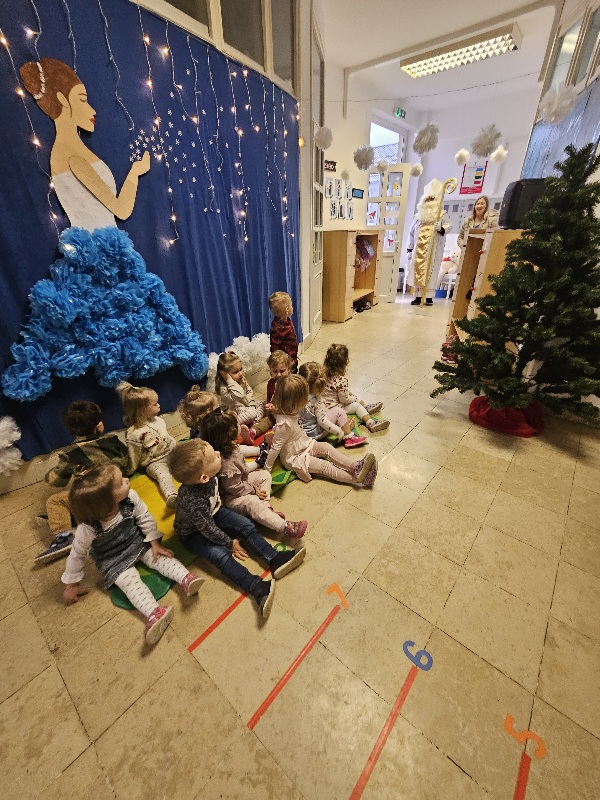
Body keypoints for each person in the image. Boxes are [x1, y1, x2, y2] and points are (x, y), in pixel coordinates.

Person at [3, 58, 207, 402]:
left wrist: (134, 173)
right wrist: (134, 174)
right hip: (100, 250)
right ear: (63, 101)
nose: (92, 109)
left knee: (124, 314)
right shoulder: (71, 154)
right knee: (117, 314)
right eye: (82, 100)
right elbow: (120, 209)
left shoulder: (69, 151)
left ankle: (135, 377)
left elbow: (116, 208)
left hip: (103, 247)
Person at [61, 464, 204, 646]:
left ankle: (186, 578)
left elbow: (144, 517)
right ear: (108, 501)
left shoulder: (129, 499)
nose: (127, 480)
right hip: (112, 559)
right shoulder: (87, 529)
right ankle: (154, 612)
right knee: (129, 582)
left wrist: (154, 542)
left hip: (137, 541)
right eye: (121, 482)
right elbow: (77, 555)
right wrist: (72, 584)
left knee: (159, 557)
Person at [168, 439, 306, 619]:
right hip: (193, 533)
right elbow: (208, 529)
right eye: (214, 456)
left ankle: (275, 558)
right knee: (221, 556)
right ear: (203, 478)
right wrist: (229, 542)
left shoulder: (210, 474)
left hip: (213, 512)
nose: (218, 453)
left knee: (245, 524)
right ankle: (257, 588)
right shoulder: (193, 502)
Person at [35, 400, 131, 563]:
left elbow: (57, 481)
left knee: (55, 501)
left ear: (69, 430)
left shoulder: (70, 453)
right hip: (120, 491)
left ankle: (64, 537)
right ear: (99, 425)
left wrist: (48, 475)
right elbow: (127, 461)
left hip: (93, 498)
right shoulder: (112, 440)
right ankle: (73, 517)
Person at [200, 408, 307, 538]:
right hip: (229, 498)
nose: (240, 425)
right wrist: (253, 490)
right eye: (237, 424)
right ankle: (285, 527)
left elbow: (240, 470)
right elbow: (234, 488)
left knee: (264, 475)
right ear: (230, 433)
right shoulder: (226, 463)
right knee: (252, 502)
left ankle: (266, 510)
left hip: (240, 483)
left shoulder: (229, 446)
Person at [264, 375, 378, 487]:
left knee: (326, 447)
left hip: (304, 443)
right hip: (295, 458)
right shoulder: (284, 425)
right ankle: (359, 479)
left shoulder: (289, 410)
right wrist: (266, 470)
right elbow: (275, 449)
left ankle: (355, 467)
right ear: (293, 404)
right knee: (324, 466)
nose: (304, 404)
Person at [117, 382, 178, 508]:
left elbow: (167, 437)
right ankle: (172, 496)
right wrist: (130, 470)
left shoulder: (159, 420)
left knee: (190, 456)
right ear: (142, 410)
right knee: (163, 475)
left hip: (172, 451)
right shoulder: (134, 433)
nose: (159, 405)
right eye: (155, 404)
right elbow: (134, 454)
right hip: (154, 461)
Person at [322, 344, 389, 433]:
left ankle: (366, 407)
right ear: (346, 362)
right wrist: (353, 398)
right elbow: (344, 400)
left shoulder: (322, 375)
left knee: (349, 393)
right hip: (334, 409)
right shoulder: (341, 381)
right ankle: (370, 422)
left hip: (322, 406)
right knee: (356, 406)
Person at [406, 179, 453, 306]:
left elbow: (449, 226)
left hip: (434, 250)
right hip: (418, 250)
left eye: (432, 199)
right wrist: (410, 247)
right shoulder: (418, 216)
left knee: (432, 272)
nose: (430, 201)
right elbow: (411, 232)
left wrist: (441, 228)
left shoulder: (441, 214)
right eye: (428, 199)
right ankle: (417, 296)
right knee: (418, 272)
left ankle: (428, 297)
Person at [298, 362, 366, 448]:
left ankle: (344, 425)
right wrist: (338, 431)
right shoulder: (317, 400)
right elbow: (322, 421)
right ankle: (348, 436)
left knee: (329, 412)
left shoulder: (296, 394)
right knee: (339, 412)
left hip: (301, 432)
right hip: (315, 433)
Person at [215, 351, 273, 444]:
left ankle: (254, 419)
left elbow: (249, 393)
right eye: (235, 372)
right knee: (252, 413)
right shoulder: (224, 388)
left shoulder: (242, 380)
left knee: (263, 403)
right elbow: (240, 395)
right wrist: (229, 380)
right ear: (224, 375)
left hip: (246, 410)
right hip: (235, 413)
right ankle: (232, 425)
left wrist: (252, 406)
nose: (240, 373)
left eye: (241, 369)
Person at [269, 291, 299, 373]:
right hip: (285, 362)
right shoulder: (279, 328)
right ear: (286, 310)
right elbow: (275, 347)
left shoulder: (287, 322)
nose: (292, 307)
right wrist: (276, 362)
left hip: (292, 358)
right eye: (291, 305)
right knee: (289, 378)